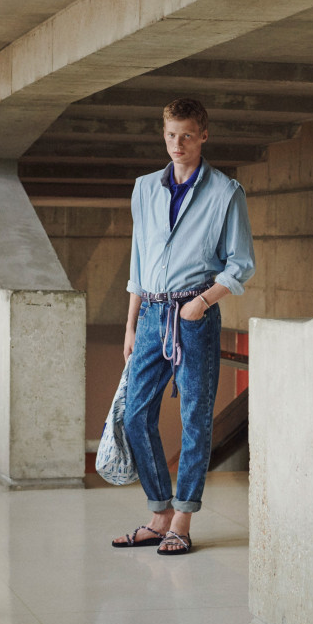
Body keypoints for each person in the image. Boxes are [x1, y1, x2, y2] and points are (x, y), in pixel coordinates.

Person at [111, 96, 255, 555]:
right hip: (151, 315)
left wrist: (201, 303)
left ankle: (182, 521)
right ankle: (158, 514)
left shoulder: (226, 192)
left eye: (187, 135)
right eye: (171, 135)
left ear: (204, 135)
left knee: (195, 420)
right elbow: (137, 262)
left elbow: (242, 264)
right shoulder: (143, 188)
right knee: (135, 416)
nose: (178, 144)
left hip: (195, 317)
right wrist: (131, 326)